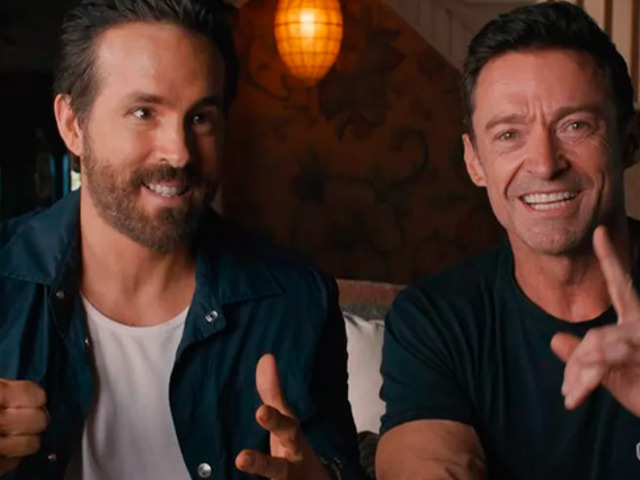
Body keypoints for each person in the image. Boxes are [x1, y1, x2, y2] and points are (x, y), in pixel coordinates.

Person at [0, 0, 364, 479]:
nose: (178, 153)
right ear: (72, 124)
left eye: (201, 118)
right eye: (144, 112)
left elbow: (335, 465)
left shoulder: (297, 301)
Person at [376, 2, 640, 479]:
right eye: (508, 134)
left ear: (630, 139)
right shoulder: (436, 319)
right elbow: (426, 463)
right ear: (474, 161)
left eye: (575, 125)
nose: (544, 163)